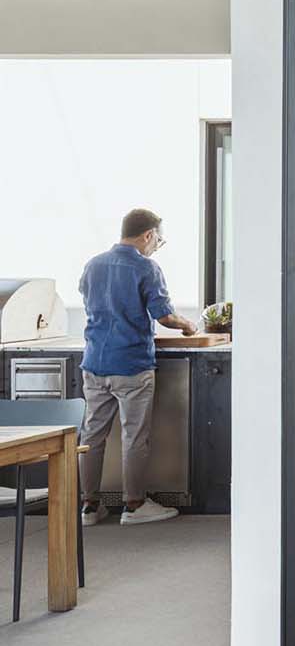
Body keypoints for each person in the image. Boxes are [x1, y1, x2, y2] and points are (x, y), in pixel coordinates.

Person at [78, 208, 199, 524]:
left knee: (91, 436)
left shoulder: (93, 264)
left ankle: (90, 507)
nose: (158, 245)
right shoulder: (146, 267)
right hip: (131, 365)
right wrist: (189, 326)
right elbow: (165, 316)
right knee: (134, 436)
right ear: (148, 235)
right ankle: (133, 506)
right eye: (159, 239)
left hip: (94, 363)